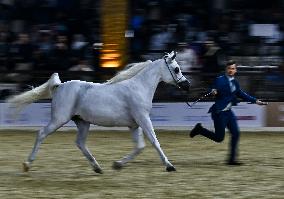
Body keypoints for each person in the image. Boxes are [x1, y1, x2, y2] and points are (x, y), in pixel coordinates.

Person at [189, 60, 267, 165]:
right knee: (219, 138)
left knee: (236, 133)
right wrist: (213, 91)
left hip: (229, 112)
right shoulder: (219, 80)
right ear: (226, 69)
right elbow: (212, 89)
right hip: (219, 112)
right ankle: (200, 130)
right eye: (229, 68)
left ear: (236, 70)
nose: (231, 70)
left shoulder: (235, 82)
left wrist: (256, 101)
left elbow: (241, 94)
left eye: (233, 68)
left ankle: (231, 160)